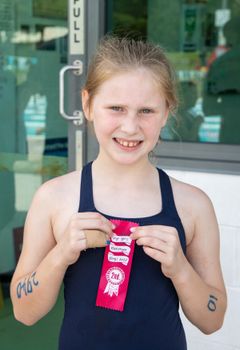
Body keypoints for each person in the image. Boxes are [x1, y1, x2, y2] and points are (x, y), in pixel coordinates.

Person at [10, 36, 227, 350]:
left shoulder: (192, 205)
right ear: (87, 105)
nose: (129, 127)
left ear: (166, 113)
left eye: (146, 111)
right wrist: (60, 256)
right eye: (116, 108)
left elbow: (213, 319)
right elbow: (24, 311)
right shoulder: (54, 198)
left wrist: (180, 268)